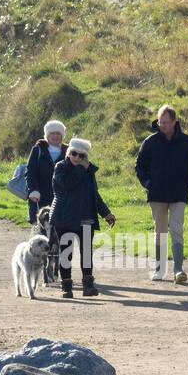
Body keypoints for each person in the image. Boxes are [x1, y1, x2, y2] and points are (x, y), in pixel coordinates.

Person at [135, 104, 188, 284]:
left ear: (174, 122)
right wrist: (148, 184)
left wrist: (186, 188)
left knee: (177, 228)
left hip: (179, 195)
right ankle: (159, 269)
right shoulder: (149, 142)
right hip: (157, 195)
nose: (161, 125)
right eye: (159, 121)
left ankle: (178, 270)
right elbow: (139, 167)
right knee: (160, 231)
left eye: (165, 122)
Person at [50, 137, 115, 299]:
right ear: (68, 152)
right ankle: (66, 287)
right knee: (66, 253)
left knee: (87, 253)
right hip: (64, 218)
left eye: (81, 156)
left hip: (86, 216)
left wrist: (106, 213)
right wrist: (81, 169)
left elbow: (94, 195)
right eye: (74, 154)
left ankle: (88, 286)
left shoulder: (88, 171)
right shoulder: (60, 168)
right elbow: (66, 184)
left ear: (86, 157)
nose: (77, 158)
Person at [25, 120, 67, 225]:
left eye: (58, 133)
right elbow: (30, 172)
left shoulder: (69, 152)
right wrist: (33, 190)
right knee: (41, 228)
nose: (55, 136)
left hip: (61, 198)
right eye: (52, 133)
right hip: (40, 196)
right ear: (47, 135)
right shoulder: (37, 150)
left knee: (60, 230)